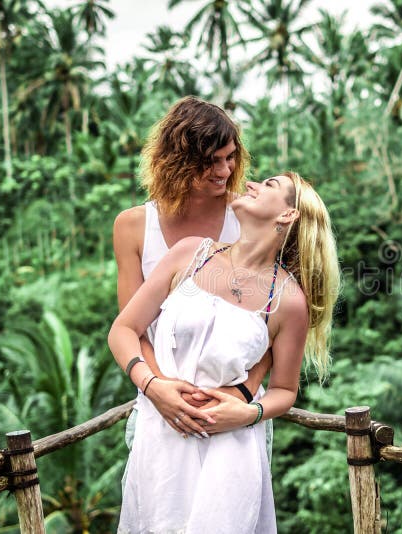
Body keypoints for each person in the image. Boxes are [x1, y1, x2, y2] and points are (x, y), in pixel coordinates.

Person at [109, 171, 340, 532]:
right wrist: (153, 386)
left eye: (269, 186)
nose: (250, 183)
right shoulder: (190, 254)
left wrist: (247, 413)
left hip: (230, 451)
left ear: (287, 215)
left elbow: (285, 390)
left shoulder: (288, 301)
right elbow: (123, 330)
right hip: (161, 437)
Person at [112, 96, 271, 439]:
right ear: (179, 161)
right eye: (213, 161)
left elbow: (276, 318)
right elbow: (131, 328)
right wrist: (159, 390)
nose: (226, 171)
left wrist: (241, 394)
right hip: (159, 407)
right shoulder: (133, 226)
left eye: (231, 158)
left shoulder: (246, 217)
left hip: (230, 411)